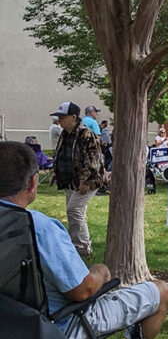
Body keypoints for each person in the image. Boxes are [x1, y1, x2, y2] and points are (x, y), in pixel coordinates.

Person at [0, 141, 168, 339]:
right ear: (33, 183)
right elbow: (82, 291)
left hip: (8, 329)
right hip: (47, 332)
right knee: (160, 293)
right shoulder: (39, 228)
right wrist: (101, 272)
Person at [50, 101, 105, 258]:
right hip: (70, 180)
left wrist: (85, 182)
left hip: (88, 181)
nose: (59, 120)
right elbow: (61, 154)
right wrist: (56, 172)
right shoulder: (65, 133)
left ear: (73, 117)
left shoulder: (85, 133)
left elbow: (93, 160)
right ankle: (81, 246)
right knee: (76, 211)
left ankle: (81, 248)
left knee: (74, 209)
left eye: (62, 117)